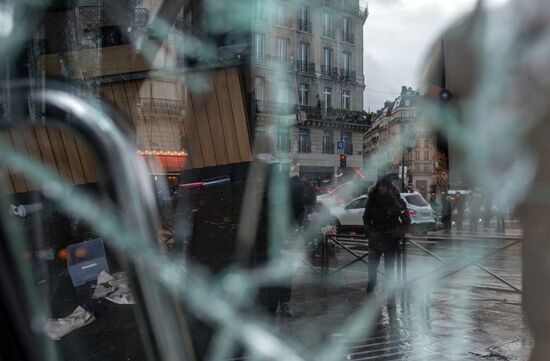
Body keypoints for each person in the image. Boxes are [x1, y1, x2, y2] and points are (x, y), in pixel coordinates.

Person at [363, 176, 410, 296]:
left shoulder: (396, 201)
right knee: (373, 264)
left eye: (384, 186)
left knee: (389, 266)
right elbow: (366, 216)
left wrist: (400, 232)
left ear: (388, 187)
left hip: (391, 237)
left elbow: (406, 218)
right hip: (376, 237)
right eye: (380, 186)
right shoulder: (372, 200)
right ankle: (372, 282)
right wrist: (368, 230)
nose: (381, 188)